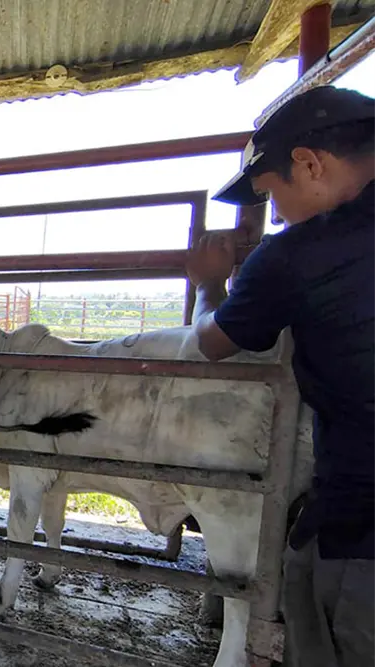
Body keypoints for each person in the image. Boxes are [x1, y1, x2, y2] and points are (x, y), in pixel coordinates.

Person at [187, 85, 375, 667]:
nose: (275, 219)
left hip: (362, 525)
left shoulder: (298, 254)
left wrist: (211, 282)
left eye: (271, 199)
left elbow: (210, 343)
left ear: (309, 164)